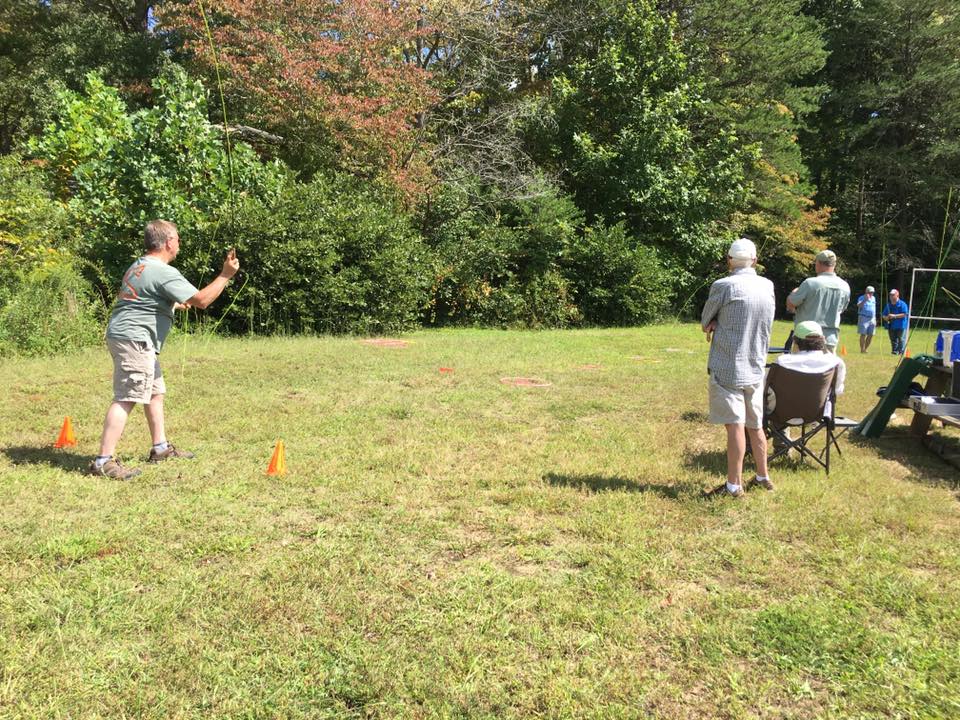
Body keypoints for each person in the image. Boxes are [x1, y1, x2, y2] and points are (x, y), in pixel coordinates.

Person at [89, 220, 240, 479]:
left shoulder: (139, 266)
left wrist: (170, 305)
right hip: (135, 339)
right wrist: (225, 275)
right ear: (168, 242)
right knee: (127, 397)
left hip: (128, 336)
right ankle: (103, 461)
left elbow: (141, 297)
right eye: (178, 239)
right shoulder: (163, 271)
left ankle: (160, 448)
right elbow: (202, 301)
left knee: (155, 392)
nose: (179, 243)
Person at [701, 238, 776, 498]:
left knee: (735, 425)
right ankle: (763, 475)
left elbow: (705, 319)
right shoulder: (768, 286)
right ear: (754, 261)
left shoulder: (723, 285)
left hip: (728, 365)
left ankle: (734, 485)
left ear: (729, 260)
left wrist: (713, 324)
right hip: (756, 364)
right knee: (755, 425)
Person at [767, 320, 846, 419]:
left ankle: (779, 431)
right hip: (816, 414)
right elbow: (837, 390)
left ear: (795, 341)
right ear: (823, 340)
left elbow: (766, 387)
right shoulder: (835, 362)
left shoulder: (782, 362)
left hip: (779, 413)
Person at [786, 249, 850, 352]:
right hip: (830, 338)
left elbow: (791, 303)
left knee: (801, 367)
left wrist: (793, 293)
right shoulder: (845, 286)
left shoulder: (810, 283)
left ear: (819, 263)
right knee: (827, 368)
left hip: (805, 339)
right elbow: (841, 309)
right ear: (834, 264)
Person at [882, 289, 910, 355]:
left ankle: (901, 352)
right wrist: (886, 318)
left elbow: (905, 314)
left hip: (901, 325)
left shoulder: (902, 304)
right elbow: (883, 315)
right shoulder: (888, 305)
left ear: (897, 295)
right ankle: (894, 352)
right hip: (891, 325)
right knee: (893, 339)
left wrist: (894, 316)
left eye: (893, 295)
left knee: (901, 339)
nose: (891, 296)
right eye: (890, 295)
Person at [856, 285, 877, 353]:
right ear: (866, 292)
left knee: (871, 334)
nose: (871, 294)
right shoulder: (861, 297)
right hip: (863, 317)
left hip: (872, 318)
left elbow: (874, 308)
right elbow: (859, 305)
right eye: (870, 292)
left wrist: (875, 318)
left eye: (872, 292)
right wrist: (865, 300)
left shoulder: (873, 298)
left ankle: (865, 349)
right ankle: (862, 349)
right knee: (863, 334)